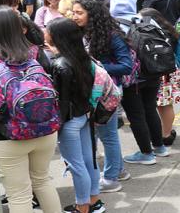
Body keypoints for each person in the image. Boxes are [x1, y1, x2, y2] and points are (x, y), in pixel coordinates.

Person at [0, 6, 62, 213]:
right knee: (42, 181)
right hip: (45, 128)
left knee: (19, 194)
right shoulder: (35, 52)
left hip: (9, 135)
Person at [71, 0, 132, 192]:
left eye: (79, 13)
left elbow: (126, 66)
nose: (74, 16)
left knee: (108, 135)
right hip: (92, 93)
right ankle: (119, 169)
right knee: (103, 133)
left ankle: (111, 178)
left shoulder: (112, 35)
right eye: (73, 12)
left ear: (93, 15)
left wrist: (94, 67)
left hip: (107, 93)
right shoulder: (83, 33)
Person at [45, 18, 105, 213]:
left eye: (48, 31)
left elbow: (61, 101)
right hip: (85, 115)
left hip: (69, 121)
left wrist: (56, 126)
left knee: (76, 165)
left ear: (57, 37)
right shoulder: (84, 58)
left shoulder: (60, 64)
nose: (45, 33)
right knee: (89, 161)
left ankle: (82, 207)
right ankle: (94, 200)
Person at [109, 0, 171, 165]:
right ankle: (159, 147)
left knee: (136, 115)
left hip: (132, 77)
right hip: (154, 70)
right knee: (150, 109)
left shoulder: (113, 25)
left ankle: (146, 153)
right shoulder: (146, 19)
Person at [140, 8, 180, 147]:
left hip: (155, 71)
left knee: (153, 105)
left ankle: (160, 135)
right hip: (170, 71)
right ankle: (167, 134)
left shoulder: (147, 32)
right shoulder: (170, 32)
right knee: (166, 105)